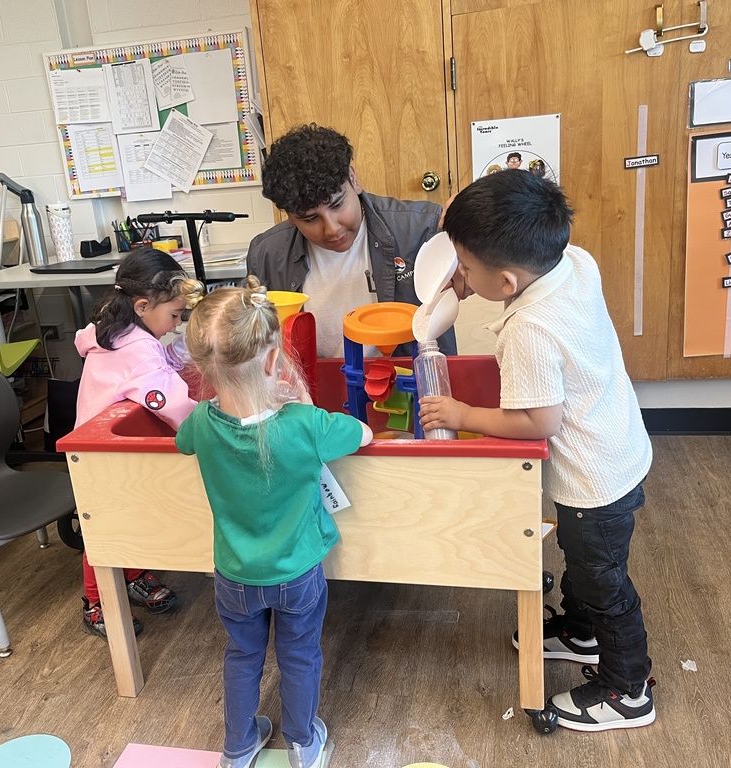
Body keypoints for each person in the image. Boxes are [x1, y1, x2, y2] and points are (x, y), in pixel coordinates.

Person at [420, 169, 654, 732]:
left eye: (466, 269)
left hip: (592, 479)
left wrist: (463, 416)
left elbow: (539, 419)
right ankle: (580, 630)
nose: (461, 277)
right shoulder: (575, 260)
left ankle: (628, 687)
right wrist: (461, 269)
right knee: (584, 559)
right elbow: (506, 255)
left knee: (604, 580)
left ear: (505, 282)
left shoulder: (529, 329)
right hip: (619, 444)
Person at [176, 277, 372, 767]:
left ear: (202, 366)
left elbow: (183, 441)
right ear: (272, 361)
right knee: (299, 655)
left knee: (242, 656)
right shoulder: (305, 425)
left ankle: (238, 747)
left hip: (233, 576)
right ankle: (303, 743)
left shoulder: (200, 422)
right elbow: (361, 432)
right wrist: (298, 400)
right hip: (298, 574)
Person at [73, 245, 204, 638]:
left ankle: (131, 574)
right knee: (104, 526)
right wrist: (212, 426)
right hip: (99, 456)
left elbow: (160, 359)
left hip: (101, 448)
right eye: (176, 315)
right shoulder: (138, 352)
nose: (178, 323)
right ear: (144, 305)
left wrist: (185, 347)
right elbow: (172, 402)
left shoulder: (116, 327)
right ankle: (96, 602)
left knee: (131, 515)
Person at [247, 123, 456, 358]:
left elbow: (498, 269)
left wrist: (480, 217)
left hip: (415, 384)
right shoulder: (266, 255)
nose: (332, 229)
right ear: (290, 216)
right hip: (313, 389)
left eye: (337, 205)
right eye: (310, 219)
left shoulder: (422, 228)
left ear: (353, 179)